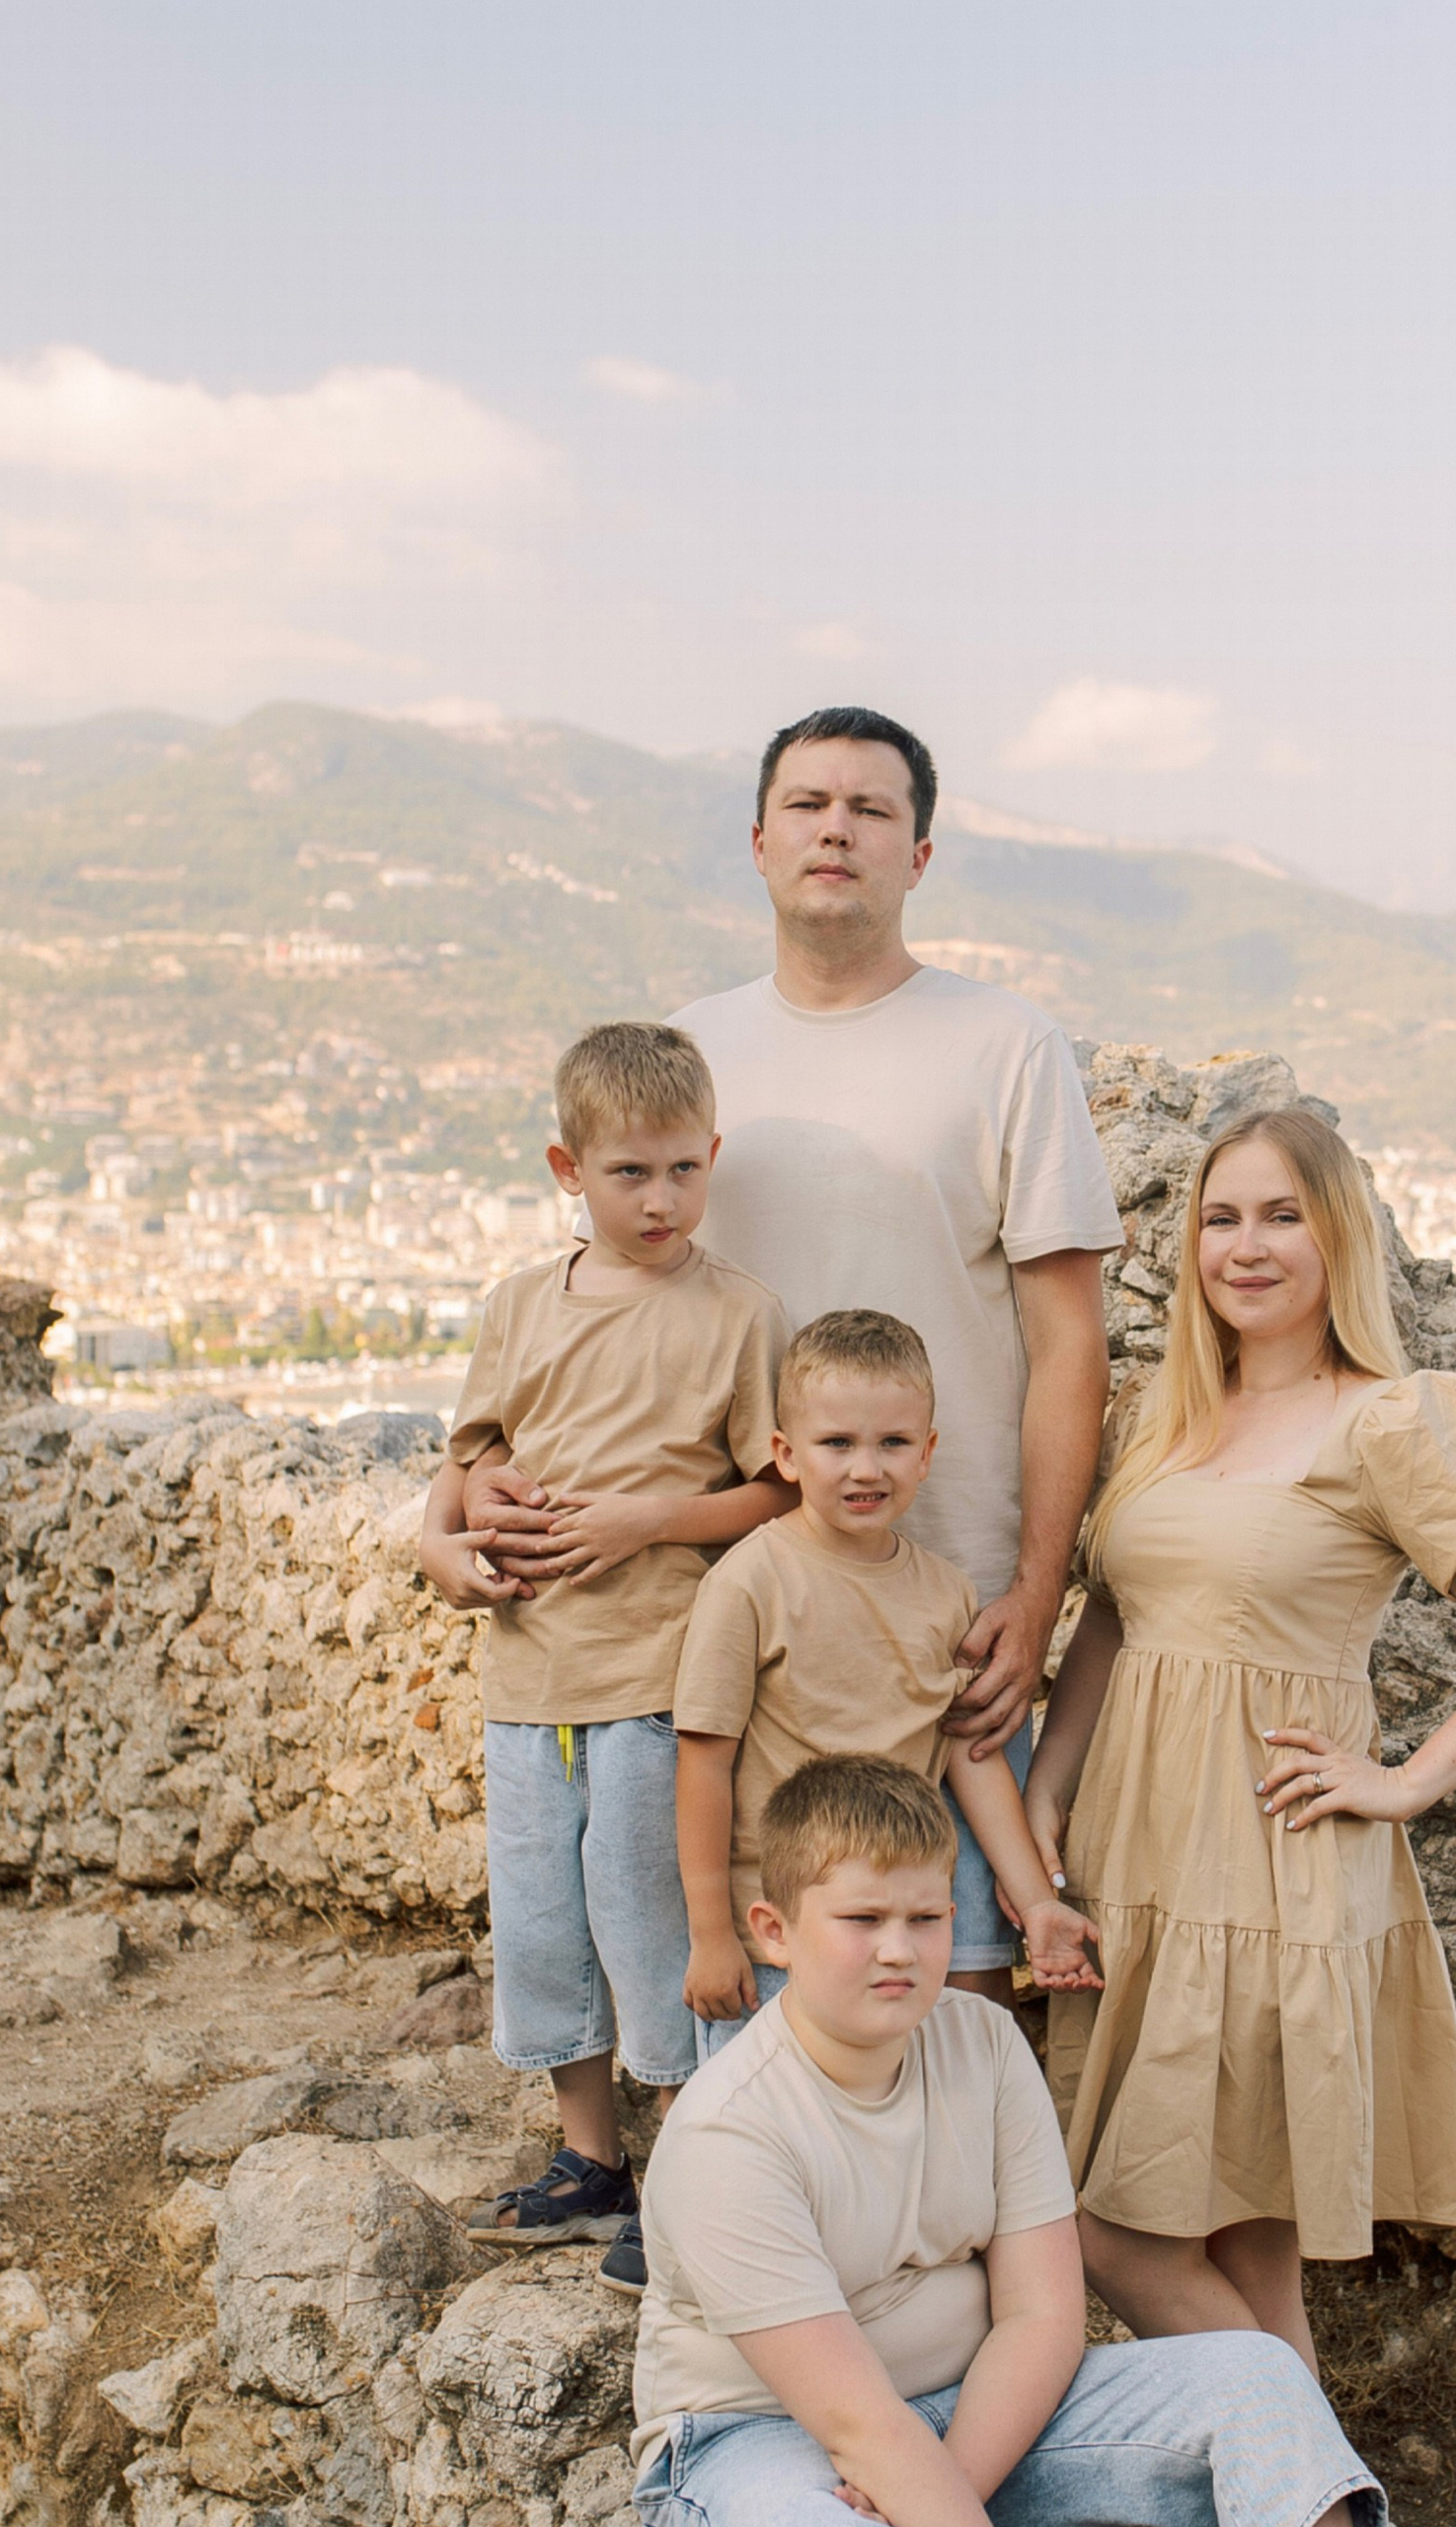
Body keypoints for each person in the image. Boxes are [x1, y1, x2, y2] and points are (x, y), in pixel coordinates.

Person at [472, 706, 1120, 2009]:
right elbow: (608, 1316)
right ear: (759, 842)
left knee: (957, 1996)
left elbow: (1071, 1345)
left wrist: (1035, 1587)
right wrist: (479, 1484)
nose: (837, 830)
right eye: (809, 805)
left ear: (918, 855)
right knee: (747, 1994)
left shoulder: (1007, 1045)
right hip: (728, 1600)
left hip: (944, 1607)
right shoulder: (689, 1052)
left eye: (871, 809)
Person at [1024, 1104, 1456, 2368]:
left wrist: (1407, 1782)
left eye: (1281, 1215)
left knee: (1109, 2233)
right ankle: (1309, 2474)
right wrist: (1046, 1787)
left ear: (1335, 1235)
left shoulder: (1386, 1422)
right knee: (1247, 2259)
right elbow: (1115, 1617)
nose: (1246, 1246)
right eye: (1220, 1218)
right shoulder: (1164, 1415)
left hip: (1269, 1872)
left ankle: (1304, 2476)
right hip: (1139, 1861)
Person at [627, 1753, 1384, 2527]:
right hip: (766, 2440)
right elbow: (858, 2425)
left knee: (1258, 2376)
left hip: (981, 2414)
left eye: (925, 1919)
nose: (899, 1950)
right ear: (774, 1932)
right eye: (863, 1920)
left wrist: (948, 2489)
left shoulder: (984, 2043)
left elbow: (1040, 2315)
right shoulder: (730, 2131)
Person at [419, 1022, 792, 2258]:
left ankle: (690, 2170)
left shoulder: (739, 1315)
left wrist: (649, 1519)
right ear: (567, 1169)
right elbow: (471, 1454)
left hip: (656, 1673)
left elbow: (774, 1492)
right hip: (528, 1676)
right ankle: (590, 2159)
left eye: (684, 1169)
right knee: (543, 1932)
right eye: (630, 1173)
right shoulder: (519, 1305)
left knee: (648, 1920)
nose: (661, 1198)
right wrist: (449, 1533)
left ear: (713, 1156)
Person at [668, 1310, 1102, 2082]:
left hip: (899, 1928)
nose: (866, 1469)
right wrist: (710, 1934)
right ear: (786, 1454)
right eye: (837, 1443)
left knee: (882, 2118)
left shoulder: (945, 1593)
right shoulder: (749, 1582)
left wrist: (1038, 1904)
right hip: (781, 1933)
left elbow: (970, 1756)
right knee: (771, 2122)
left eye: (893, 1443)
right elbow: (703, 1761)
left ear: (927, 1454)